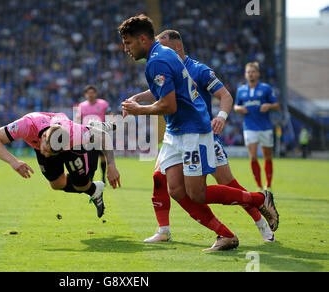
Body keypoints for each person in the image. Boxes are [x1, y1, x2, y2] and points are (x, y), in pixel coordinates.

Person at [118, 15, 279, 251]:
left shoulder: (158, 62)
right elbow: (167, 91)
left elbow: (169, 105)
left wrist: (137, 110)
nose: (125, 49)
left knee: (198, 193)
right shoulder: (166, 55)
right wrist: (139, 98)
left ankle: (260, 199)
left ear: (143, 39)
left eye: (128, 43)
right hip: (176, 131)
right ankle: (225, 235)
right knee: (174, 189)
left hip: (193, 131)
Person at [0, 112, 121, 218]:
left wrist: (111, 165)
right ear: (43, 137)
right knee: (56, 184)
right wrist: (13, 161)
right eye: (47, 151)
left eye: (51, 153)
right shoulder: (26, 125)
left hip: (73, 144)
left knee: (82, 184)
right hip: (49, 134)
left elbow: (103, 137)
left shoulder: (75, 134)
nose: (47, 155)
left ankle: (92, 128)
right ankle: (95, 190)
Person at [234, 62, 280, 191]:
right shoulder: (241, 90)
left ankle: (268, 184)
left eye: (253, 71)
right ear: (245, 74)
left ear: (258, 74)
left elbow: (277, 105)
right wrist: (239, 109)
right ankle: (259, 185)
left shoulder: (266, 88)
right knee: (253, 156)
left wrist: (269, 106)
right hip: (249, 127)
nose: (251, 74)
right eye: (248, 72)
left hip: (265, 127)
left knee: (268, 156)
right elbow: (236, 106)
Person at [75, 85, 112, 184]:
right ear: (85, 94)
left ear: (96, 94)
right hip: (87, 136)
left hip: (100, 135)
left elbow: (110, 116)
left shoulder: (103, 104)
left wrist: (111, 125)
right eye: (89, 93)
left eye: (92, 93)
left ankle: (103, 177)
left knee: (102, 156)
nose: (91, 95)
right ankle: (90, 178)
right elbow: (78, 120)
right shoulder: (82, 106)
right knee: (90, 158)